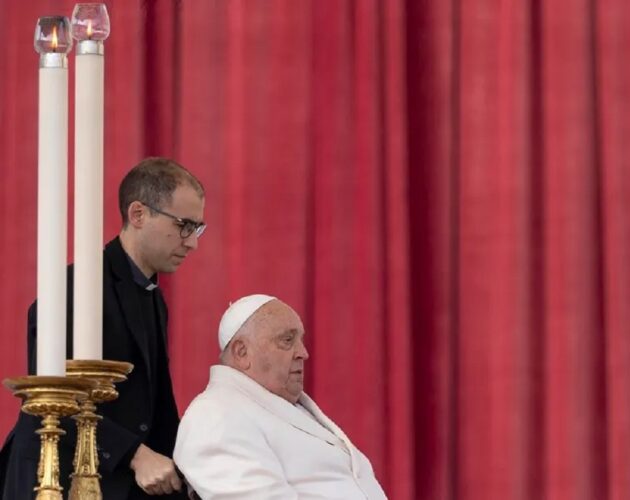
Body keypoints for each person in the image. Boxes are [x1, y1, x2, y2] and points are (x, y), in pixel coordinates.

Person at [0, 157, 206, 499]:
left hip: (112, 476)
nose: (192, 242)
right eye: (184, 225)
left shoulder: (152, 293)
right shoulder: (74, 288)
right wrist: (137, 456)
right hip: (55, 478)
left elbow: (153, 406)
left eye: (197, 228)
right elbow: (54, 399)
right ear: (138, 214)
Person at [173, 295, 387, 500]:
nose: (303, 352)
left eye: (300, 340)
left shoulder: (274, 403)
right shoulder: (213, 415)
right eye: (287, 340)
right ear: (241, 352)